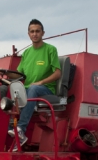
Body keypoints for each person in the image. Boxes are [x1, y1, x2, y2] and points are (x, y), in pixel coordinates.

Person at [7, 19, 61, 147]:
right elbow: (19, 74)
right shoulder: (26, 53)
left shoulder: (50, 50)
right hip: (28, 89)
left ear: (43, 33)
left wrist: (41, 82)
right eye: (32, 31)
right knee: (3, 90)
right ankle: (8, 128)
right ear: (28, 34)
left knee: (33, 89)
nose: (35, 34)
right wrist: (5, 75)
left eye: (37, 31)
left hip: (46, 89)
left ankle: (21, 128)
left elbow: (58, 73)